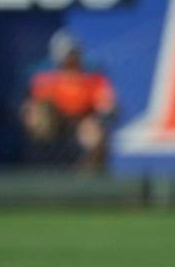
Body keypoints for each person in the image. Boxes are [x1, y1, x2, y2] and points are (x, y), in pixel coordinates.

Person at [22, 30, 115, 170]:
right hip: (56, 124)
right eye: (68, 55)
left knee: (93, 132)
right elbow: (33, 107)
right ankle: (41, 170)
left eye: (74, 53)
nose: (71, 59)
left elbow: (107, 104)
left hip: (82, 122)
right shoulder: (46, 80)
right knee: (39, 116)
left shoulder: (92, 79)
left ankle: (88, 179)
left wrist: (99, 116)